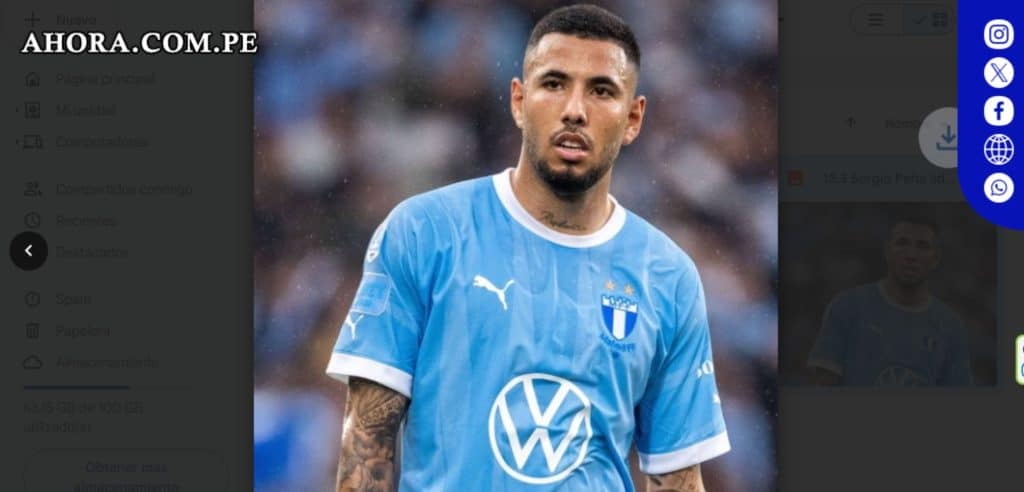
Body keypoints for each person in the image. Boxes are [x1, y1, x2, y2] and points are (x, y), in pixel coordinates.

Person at [326, 5, 730, 490]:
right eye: (554, 83)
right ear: (519, 101)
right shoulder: (424, 232)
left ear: (633, 117)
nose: (574, 110)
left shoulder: (667, 277)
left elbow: (678, 477)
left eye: (601, 90)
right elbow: (367, 443)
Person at [807, 217, 973, 386]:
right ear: (887, 251)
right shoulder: (848, 306)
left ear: (936, 259)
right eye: (902, 243)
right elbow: (823, 386)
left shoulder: (951, 327)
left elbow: (958, 398)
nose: (911, 255)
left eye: (922, 246)